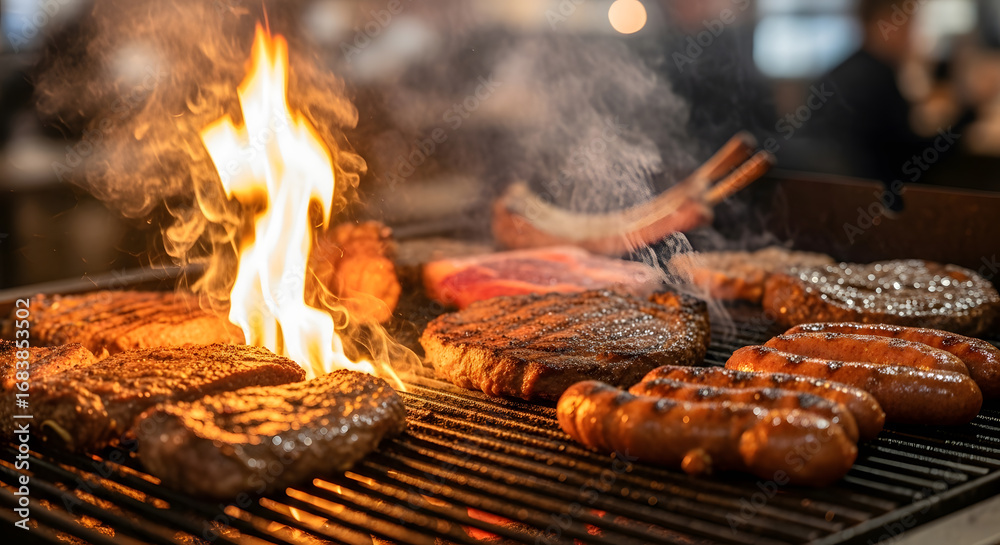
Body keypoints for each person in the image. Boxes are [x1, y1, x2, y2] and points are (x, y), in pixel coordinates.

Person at [798, 0, 975, 212]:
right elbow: (913, 160)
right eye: (910, 23)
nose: (914, 35)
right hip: (875, 209)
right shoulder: (877, 75)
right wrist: (967, 118)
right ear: (887, 23)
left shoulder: (839, 71)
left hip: (829, 202)